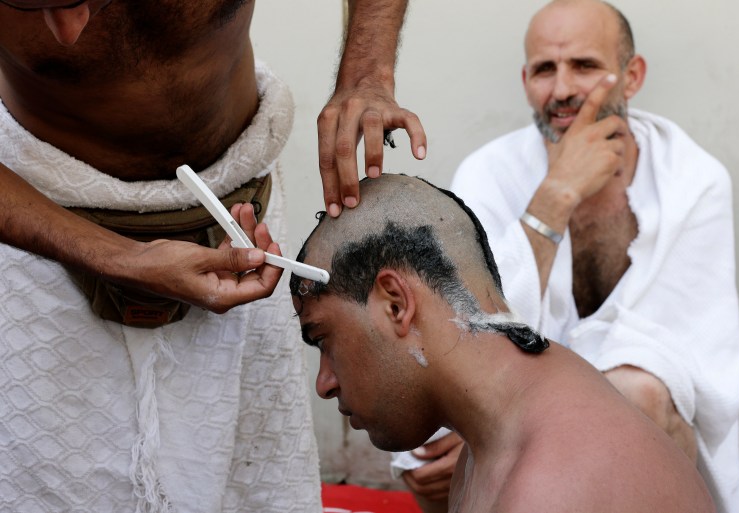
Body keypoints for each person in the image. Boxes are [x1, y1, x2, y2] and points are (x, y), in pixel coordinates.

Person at [0, 1, 425, 511]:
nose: (66, 31)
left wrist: (366, 72)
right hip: (32, 239)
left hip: (241, 215)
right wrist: (120, 258)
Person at [405, 1, 739, 512]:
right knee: (436, 448)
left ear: (631, 76)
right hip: (517, 419)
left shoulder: (692, 182)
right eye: (546, 69)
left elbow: (677, 364)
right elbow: (465, 335)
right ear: (526, 81)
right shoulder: (488, 176)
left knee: (637, 395)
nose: (563, 90)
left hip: (639, 437)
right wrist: (555, 198)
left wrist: (505, 416)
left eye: (584, 66)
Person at [290, 173, 715, 513]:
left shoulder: (549, 486)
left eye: (324, 338)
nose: (324, 383)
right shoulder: (498, 434)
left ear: (396, 304)